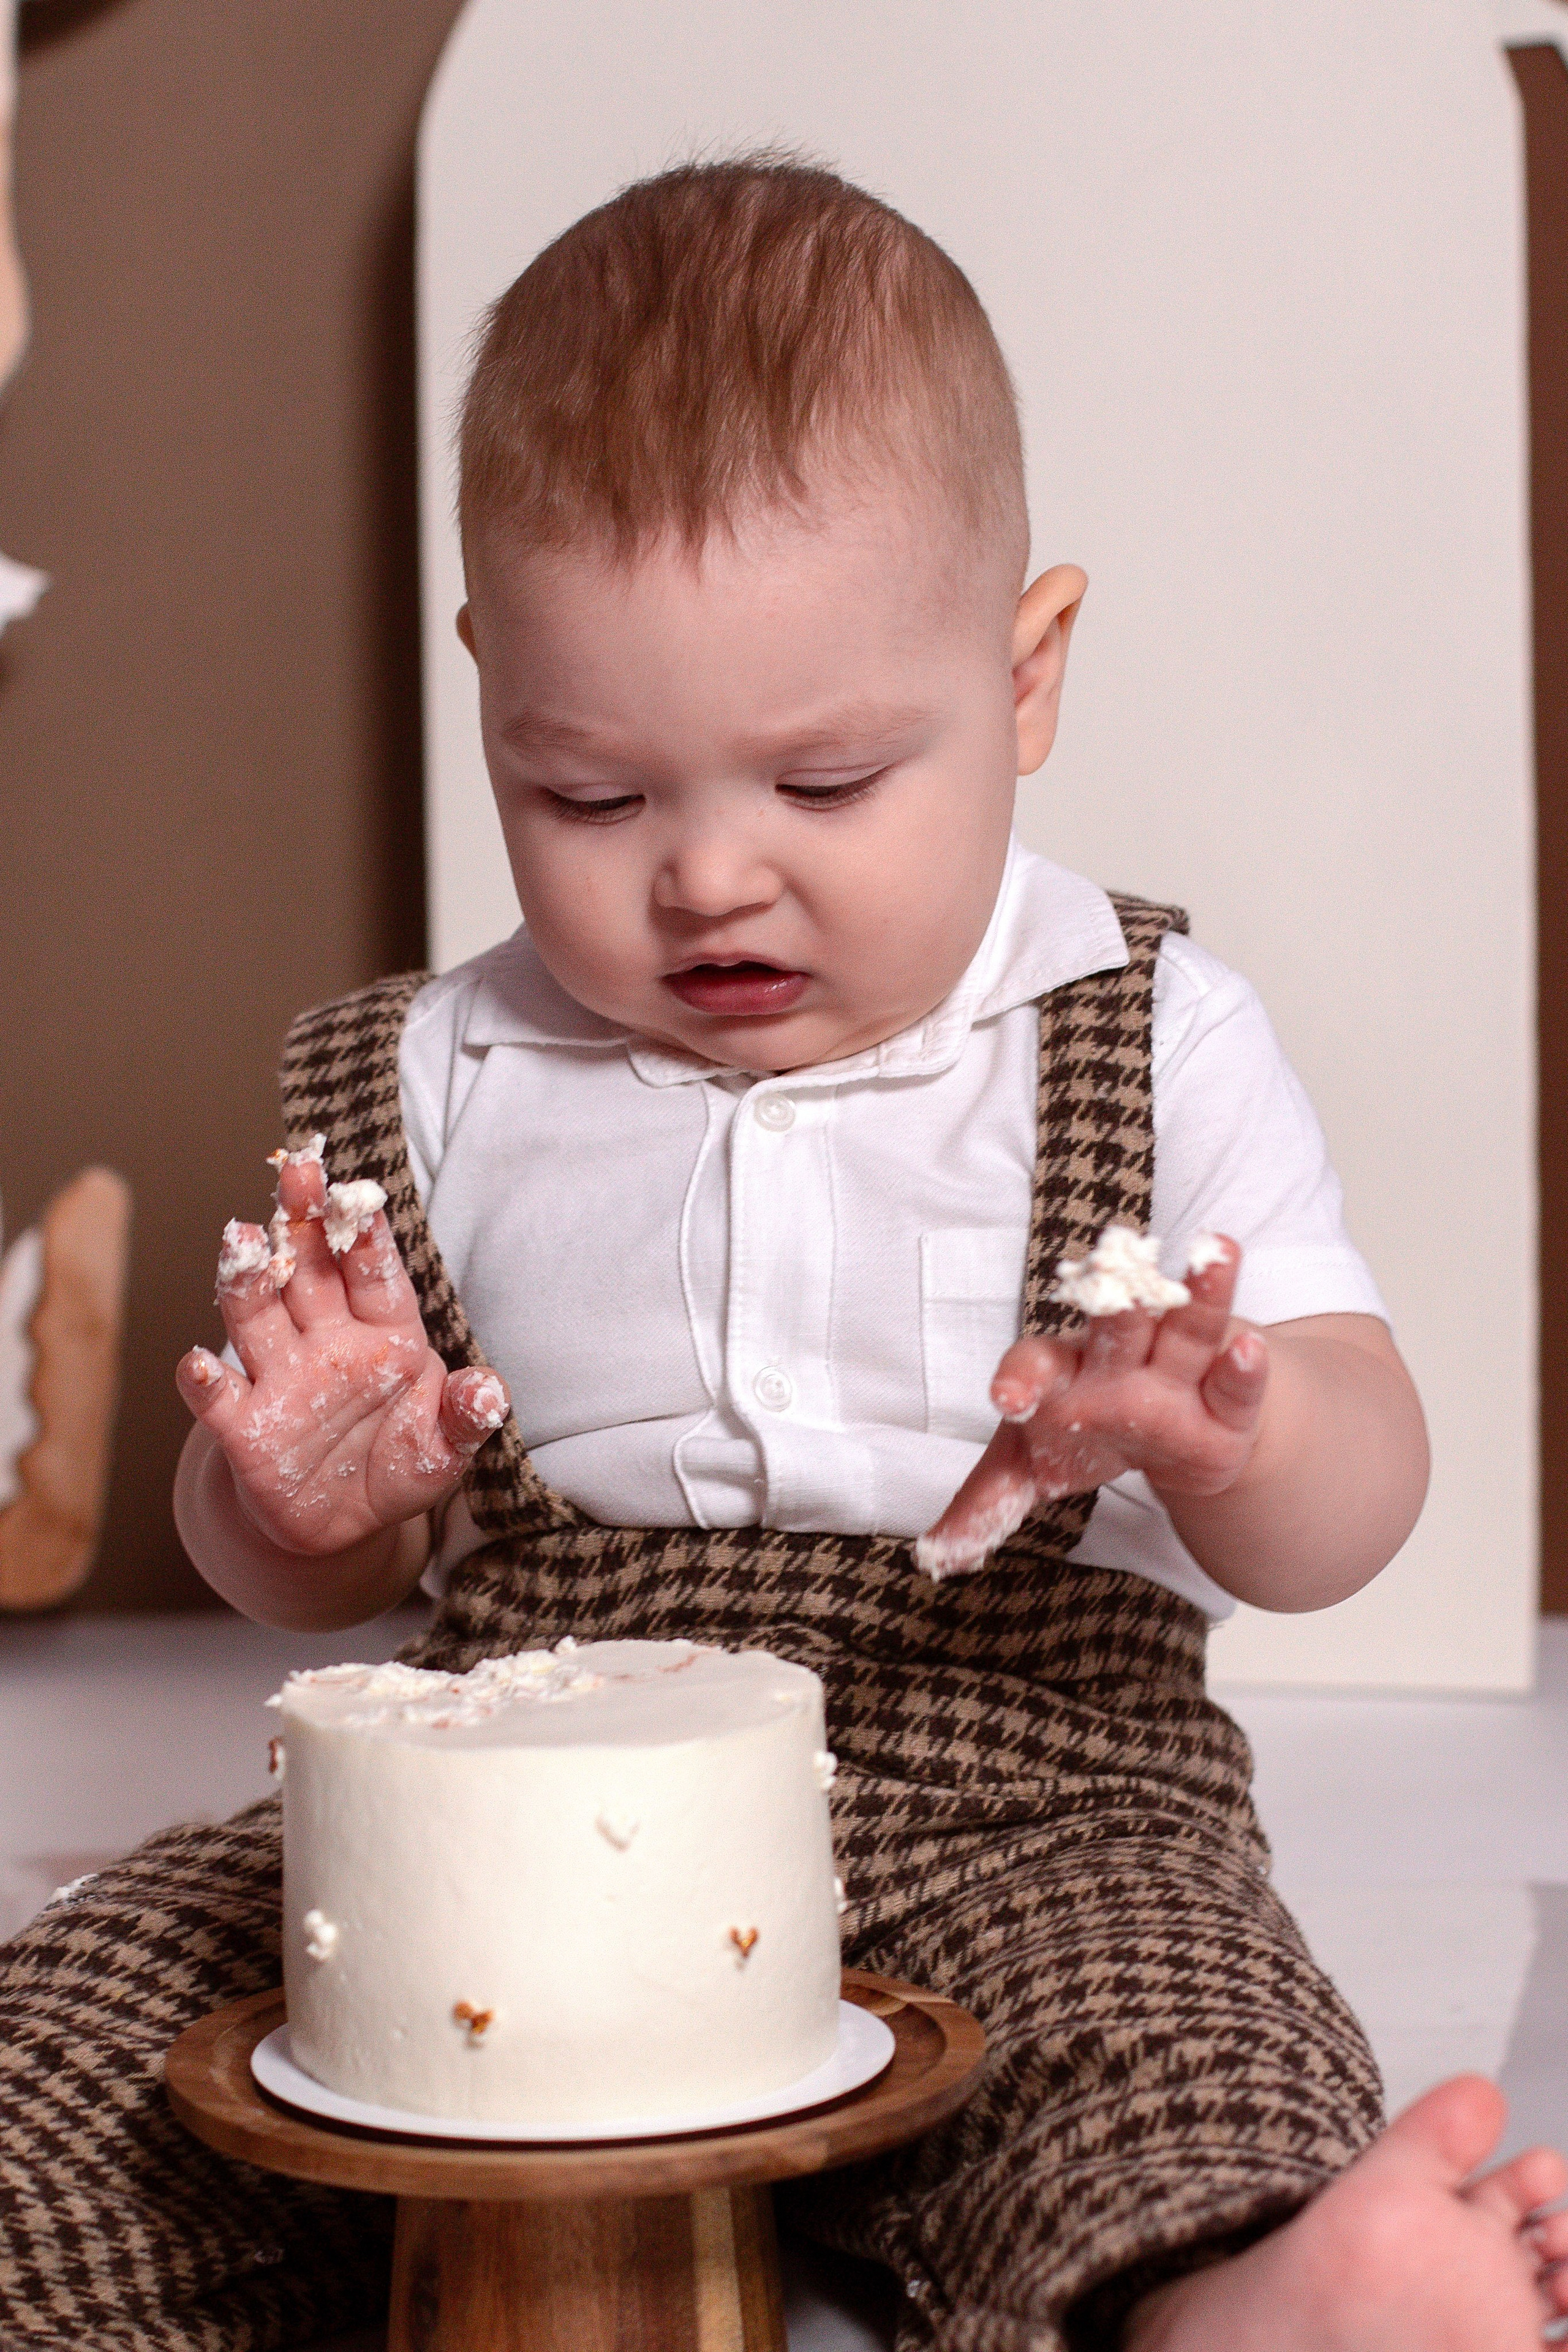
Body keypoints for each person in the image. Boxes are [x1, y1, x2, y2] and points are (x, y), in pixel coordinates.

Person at [2, 156, 1562, 2351]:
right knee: (120, 2019)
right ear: (492, 697)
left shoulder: (1139, 1034)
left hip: (1021, 1786)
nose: (712, 879)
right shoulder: (432, 1076)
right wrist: (286, 1500)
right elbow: (335, 1589)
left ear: (1026, 682)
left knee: (1169, 2041)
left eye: (827, 783)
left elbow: (1354, 1511)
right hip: (514, 1792)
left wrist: (1244, 1430)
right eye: (594, 797)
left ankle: (1245, 2299)